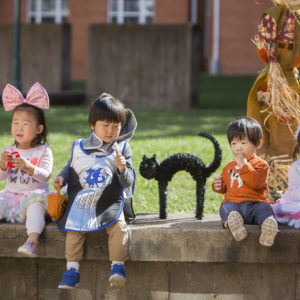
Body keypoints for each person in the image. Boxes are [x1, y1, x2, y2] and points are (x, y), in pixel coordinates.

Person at [53, 93, 137, 289]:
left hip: (110, 200)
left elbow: (129, 181)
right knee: (74, 229)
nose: (110, 131)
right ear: (93, 125)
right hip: (83, 200)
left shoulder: (122, 148)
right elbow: (71, 167)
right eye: (105, 126)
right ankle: (72, 269)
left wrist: (122, 169)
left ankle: (117, 266)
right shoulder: (79, 146)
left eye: (115, 127)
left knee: (118, 227)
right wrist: (61, 177)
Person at [0, 82, 52, 257]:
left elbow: (45, 176)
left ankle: (32, 241)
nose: (19, 128)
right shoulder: (8, 151)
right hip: (9, 196)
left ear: (38, 129)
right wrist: (2, 165)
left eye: (25, 124)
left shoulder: (44, 151)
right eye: (15, 123)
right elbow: (1, 177)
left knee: (35, 209)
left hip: (34, 196)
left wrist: (28, 167)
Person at [212, 117, 278, 247]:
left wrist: (244, 165)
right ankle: (233, 225)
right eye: (234, 144)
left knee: (265, 208)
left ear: (258, 144)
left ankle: (268, 226)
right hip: (235, 205)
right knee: (225, 207)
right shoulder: (229, 166)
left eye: (243, 143)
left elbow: (255, 182)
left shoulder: (261, 165)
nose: (238, 148)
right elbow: (225, 186)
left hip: (255, 204)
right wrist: (218, 186)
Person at [272, 124, 300, 228]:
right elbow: (294, 195)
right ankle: (281, 209)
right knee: (295, 207)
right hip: (296, 201)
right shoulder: (296, 168)